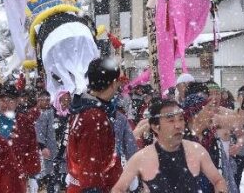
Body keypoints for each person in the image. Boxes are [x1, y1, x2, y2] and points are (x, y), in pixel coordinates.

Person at [112, 99, 227, 193]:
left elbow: (218, 180)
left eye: (181, 119)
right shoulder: (142, 158)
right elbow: (118, 189)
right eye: (171, 121)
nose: (178, 125)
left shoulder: (196, 151)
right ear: (155, 127)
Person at [66, 58, 124, 193]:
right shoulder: (94, 117)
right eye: (119, 80)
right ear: (113, 83)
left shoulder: (83, 107)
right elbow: (90, 167)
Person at [36, 90, 71, 193]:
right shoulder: (48, 114)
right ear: (57, 100)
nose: (65, 103)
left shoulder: (70, 115)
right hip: (51, 154)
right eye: (63, 100)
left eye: (68, 100)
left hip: (65, 155)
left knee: (64, 182)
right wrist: (42, 147)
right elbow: (39, 130)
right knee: (51, 182)